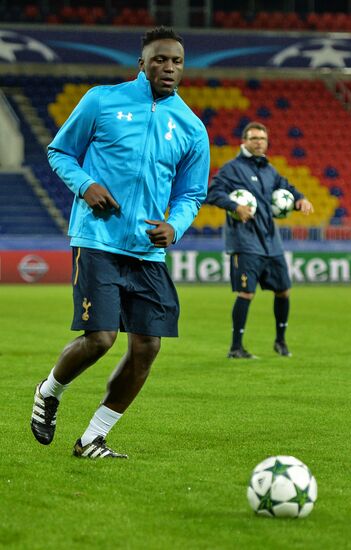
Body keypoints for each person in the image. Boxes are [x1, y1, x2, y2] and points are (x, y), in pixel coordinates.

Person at [30, 26, 210, 458]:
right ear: (142, 63)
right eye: (160, 59)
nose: (169, 67)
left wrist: (176, 226)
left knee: (147, 347)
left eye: (177, 62)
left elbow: (191, 194)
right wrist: (86, 185)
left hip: (148, 250)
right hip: (98, 239)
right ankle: (48, 391)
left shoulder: (191, 128)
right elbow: (59, 152)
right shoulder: (101, 100)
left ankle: (93, 437)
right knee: (101, 338)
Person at [206, 121, 313, 359]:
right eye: (254, 138)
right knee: (246, 293)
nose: (258, 143)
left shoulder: (269, 169)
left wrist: (299, 199)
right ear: (243, 141)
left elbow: (286, 187)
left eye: (262, 139)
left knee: (284, 290)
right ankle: (236, 347)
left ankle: (281, 342)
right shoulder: (231, 169)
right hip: (245, 241)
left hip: (271, 241)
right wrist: (234, 206)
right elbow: (212, 193)